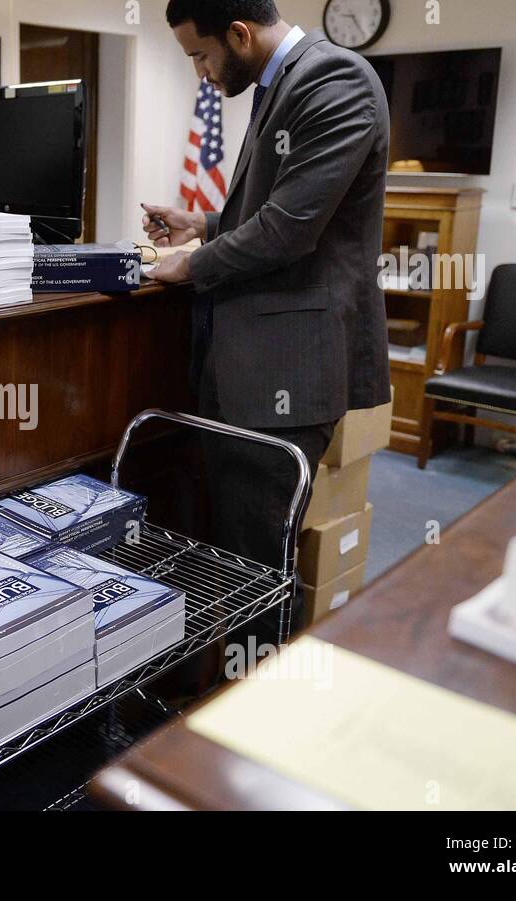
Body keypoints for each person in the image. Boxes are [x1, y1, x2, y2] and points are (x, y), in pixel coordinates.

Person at [141, 1, 390, 600]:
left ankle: (255, 683)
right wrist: (202, 223)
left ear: (239, 33)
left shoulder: (335, 80)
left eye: (200, 55)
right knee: (231, 544)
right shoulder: (277, 82)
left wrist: (190, 265)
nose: (200, 73)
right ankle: (232, 675)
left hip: (290, 370)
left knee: (254, 559)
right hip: (250, 360)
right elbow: (269, 208)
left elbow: (289, 229)